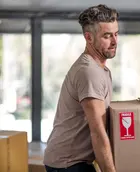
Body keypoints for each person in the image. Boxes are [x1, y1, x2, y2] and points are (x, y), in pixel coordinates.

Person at [43, 4, 119, 172]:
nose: (114, 41)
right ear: (89, 38)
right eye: (107, 36)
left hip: (73, 161)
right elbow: (98, 131)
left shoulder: (98, 68)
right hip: (68, 163)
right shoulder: (89, 72)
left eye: (116, 34)